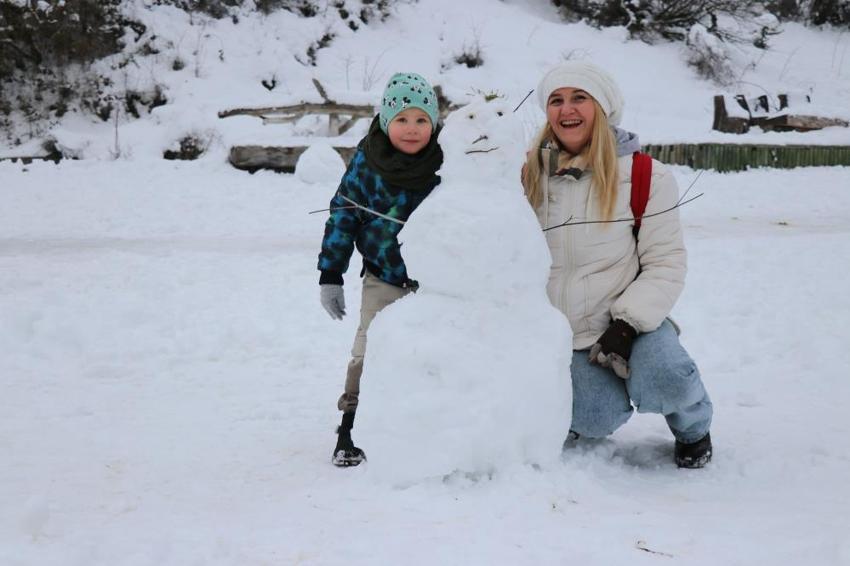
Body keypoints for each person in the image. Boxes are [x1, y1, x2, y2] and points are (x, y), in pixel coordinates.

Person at [522, 61, 713, 468]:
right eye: (556, 100)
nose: (566, 109)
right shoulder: (527, 176)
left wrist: (626, 325)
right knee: (593, 417)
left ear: (603, 107)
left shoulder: (645, 175)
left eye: (579, 98)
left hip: (632, 321)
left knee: (668, 379)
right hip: (567, 330)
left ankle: (694, 427)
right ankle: (591, 399)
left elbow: (665, 262)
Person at [317, 72, 443, 467]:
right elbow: (342, 216)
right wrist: (331, 275)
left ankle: (432, 421)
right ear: (387, 120)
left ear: (434, 124)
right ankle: (350, 426)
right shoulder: (367, 162)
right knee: (367, 350)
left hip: (437, 282)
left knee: (435, 353)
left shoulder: (447, 162)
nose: (411, 129)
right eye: (402, 119)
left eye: (421, 120)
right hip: (383, 276)